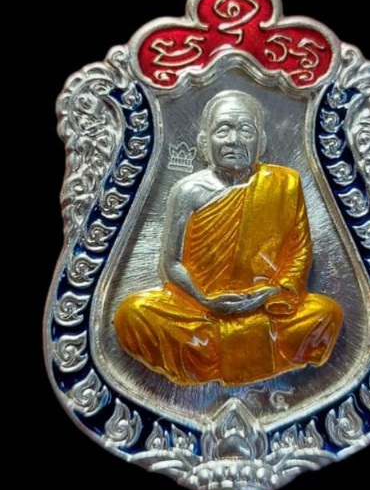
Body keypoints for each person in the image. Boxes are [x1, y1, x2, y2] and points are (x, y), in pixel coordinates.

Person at [114, 90, 342, 385]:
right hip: (199, 308)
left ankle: (211, 357)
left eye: (245, 130)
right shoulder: (188, 191)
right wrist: (206, 300)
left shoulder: (285, 183)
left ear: (261, 142)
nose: (234, 140)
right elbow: (171, 263)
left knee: (326, 313)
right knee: (132, 313)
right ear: (204, 142)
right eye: (223, 130)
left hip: (265, 306)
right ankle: (249, 355)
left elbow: (300, 253)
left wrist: (269, 294)